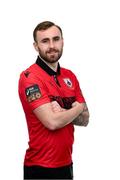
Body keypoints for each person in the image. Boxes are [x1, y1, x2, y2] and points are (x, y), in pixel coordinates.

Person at [18, 21, 89, 180]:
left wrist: (64, 112)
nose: (51, 45)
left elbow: (85, 119)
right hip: (40, 167)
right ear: (36, 46)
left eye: (56, 39)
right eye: (45, 41)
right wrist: (78, 108)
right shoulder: (30, 77)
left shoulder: (70, 75)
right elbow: (52, 122)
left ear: (62, 41)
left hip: (66, 164)